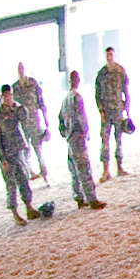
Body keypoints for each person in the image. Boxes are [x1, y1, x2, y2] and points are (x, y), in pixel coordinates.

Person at [55, 70, 104, 211]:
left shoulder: (65, 100)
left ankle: (79, 197)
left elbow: (60, 121)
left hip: (70, 138)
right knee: (83, 168)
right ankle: (92, 199)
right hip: (77, 136)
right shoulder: (77, 97)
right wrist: (84, 131)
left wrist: (66, 133)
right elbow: (81, 116)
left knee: (74, 170)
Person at [0, 86, 41, 226]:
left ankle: (29, 207)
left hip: (19, 151)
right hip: (8, 155)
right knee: (11, 185)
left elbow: (25, 116)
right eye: (6, 96)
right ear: (1, 97)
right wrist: (2, 159)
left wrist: (17, 104)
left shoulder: (16, 110)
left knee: (24, 179)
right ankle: (15, 213)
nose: (8, 99)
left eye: (10, 96)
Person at [93, 47, 129, 181]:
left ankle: (120, 166)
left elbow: (126, 91)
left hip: (118, 109)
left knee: (118, 139)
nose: (109, 57)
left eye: (111, 55)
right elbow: (97, 94)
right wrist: (101, 110)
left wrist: (127, 110)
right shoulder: (101, 74)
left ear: (114, 55)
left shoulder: (120, 71)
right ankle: (106, 170)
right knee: (105, 140)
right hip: (106, 112)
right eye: (107, 55)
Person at [10, 63, 47, 182]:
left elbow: (41, 101)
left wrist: (46, 120)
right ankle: (30, 171)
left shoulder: (32, 83)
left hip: (34, 122)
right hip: (22, 124)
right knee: (26, 150)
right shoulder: (15, 87)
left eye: (22, 68)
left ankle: (44, 171)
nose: (21, 71)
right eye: (18, 69)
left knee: (38, 148)